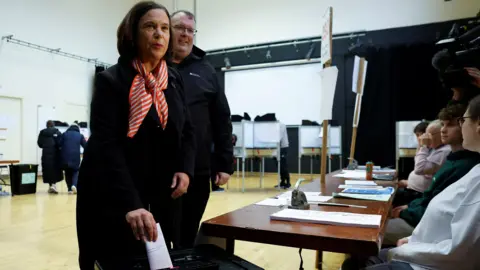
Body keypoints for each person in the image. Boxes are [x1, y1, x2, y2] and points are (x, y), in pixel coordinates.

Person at [76, 2, 195, 269]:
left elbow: (187, 130)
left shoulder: (173, 80)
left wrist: (185, 169)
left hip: (160, 195)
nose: (159, 34)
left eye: (165, 28)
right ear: (132, 34)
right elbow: (106, 147)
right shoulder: (112, 80)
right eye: (150, 26)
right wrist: (130, 203)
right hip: (112, 193)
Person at [342, 95, 480, 270]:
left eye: (462, 120)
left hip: (427, 259)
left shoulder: (463, 164)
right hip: (422, 243)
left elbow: (460, 250)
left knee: (363, 240)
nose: (460, 126)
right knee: (357, 259)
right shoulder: (461, 162)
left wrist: (412, 243)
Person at [169, 10, 233, 248]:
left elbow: (221, 119)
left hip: (198, 169)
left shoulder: (206, 70)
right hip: (160, 169)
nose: (185, 35)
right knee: (160, 237)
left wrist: (224, 163)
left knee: (187, 234)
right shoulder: (155, 64)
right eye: (179, 28)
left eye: (190, 30)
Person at [384, 104, 480, 245]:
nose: (443, 130)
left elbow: (438, 213)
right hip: (421, 215)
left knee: (372, 231)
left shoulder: (463, 165)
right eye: (443, 125)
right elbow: (429, 198)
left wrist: (406, 212)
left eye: (451, 125)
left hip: (425, 226)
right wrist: (409, 207)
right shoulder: (453, 158)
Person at [393, 121, 450, 206]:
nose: (424, 138)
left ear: (441, 134)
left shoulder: (444, 151)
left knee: (390, 198)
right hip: (413, 190)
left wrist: (423, 146)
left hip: (418, 195)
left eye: (428, 134)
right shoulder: (436, 148)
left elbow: (419, 169)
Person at [37, 120, 63, 194]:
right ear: (53, 125)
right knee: (55, 169)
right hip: (55, 154)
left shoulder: (42, 132)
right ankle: (53, 185)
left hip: (45, 154)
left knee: (47, 169)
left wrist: (45, 146)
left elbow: (39, 144)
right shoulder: (57, 132)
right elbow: (60, 142)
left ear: (47, 125)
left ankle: (51, 185)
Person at [59, 123, 86, 194]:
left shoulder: (64, 134)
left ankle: (69, 189)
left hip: (65, 157)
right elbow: (86, 146)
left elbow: (59, 144)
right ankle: (74, 185)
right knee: (75, 171)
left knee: (67, 173)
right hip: (75, 157)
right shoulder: (80, 135)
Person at [274, 122, 291, 189]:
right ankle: (282, 182)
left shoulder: (281, 125)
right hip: (276, 147)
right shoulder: (274, 126)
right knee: (278, 165)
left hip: (283, 147)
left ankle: (288, 182)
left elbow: (279, 137)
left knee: (283, 165)